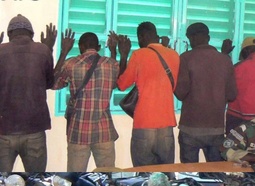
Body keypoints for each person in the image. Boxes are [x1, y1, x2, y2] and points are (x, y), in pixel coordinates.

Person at [116, 21, 180, 166]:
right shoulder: (174, 55)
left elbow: (121, 84)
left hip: (144, 123)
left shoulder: (139, 55)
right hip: (167, 124)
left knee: (144, 173)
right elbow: (173, 86)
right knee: (166, 172)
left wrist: (123, 55)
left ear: (142, 37)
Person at [53, 30, 119, 170]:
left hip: (78, 131)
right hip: (104, 131)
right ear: (99, 47)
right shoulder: (111, 64)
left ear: (80, 46)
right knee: (108, 176)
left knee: (75, 177)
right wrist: (114, 51)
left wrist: (64, 52)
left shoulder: (70, 64)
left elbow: (53, 84)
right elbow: (116, 84)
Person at [173, 22, 237, 163]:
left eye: (189, 38)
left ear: (193, 38)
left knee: (189, 176)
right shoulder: (225, 60)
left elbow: (181, 93)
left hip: (190, 128)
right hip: (216, 129)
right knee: (215, 176)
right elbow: (232, 95)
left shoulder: (185, 58)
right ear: (208, 37)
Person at [0, 15, 55, 171]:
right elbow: (49, 83)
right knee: (36, 180)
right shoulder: (43, 50)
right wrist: (49, 49)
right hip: (34, 129)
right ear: (31, 34)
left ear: (10, 34)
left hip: (4, 130)